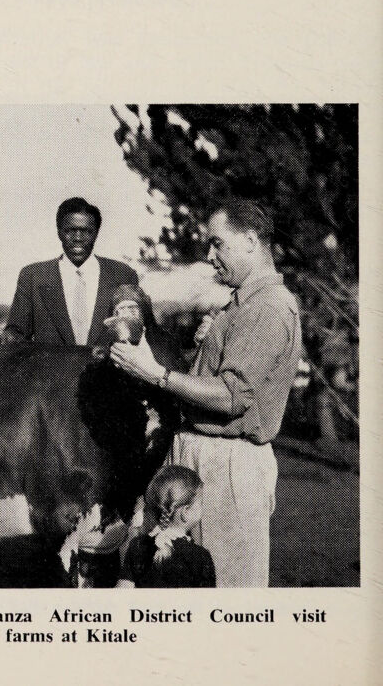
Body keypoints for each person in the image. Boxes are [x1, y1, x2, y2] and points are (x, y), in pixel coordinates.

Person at [109, 199, 302, 588]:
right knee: (164, 584)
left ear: (250, 241)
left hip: (226, 466)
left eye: (217, 243)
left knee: (226, 596)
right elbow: (210, 384)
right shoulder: (239, 306)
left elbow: (233, 398)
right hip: (196, 457)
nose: (209, 256)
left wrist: (156, 373)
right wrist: (201, 350)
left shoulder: (267, 308)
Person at [5, 197, 139, 349]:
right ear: (59, 232)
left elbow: (134, 335)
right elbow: (16, 332)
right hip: (51, 372)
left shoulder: (123, 275)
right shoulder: (32, 276)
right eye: (70, 231)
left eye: (86, 231)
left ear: (96, 233)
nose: (77, 238)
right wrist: (9, 335)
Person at [117, 466, 216, 588]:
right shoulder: (201, 557)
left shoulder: (137, 545)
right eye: (201, 504)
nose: (203, 508)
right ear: (186, 512)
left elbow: (122, 593)